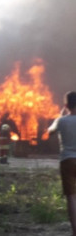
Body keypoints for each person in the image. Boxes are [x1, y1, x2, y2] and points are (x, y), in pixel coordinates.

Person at [48, 91, 76, 236]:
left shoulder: (62, 121)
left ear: (66, 105)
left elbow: (49, 132)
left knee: (71, 197)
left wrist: (59, 116)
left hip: (67, 161)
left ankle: (74, 231)